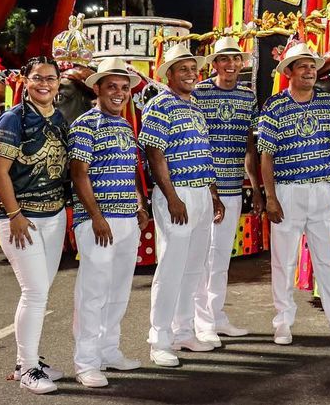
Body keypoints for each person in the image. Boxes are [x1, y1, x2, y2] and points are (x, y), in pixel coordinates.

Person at [258, 42, 330, 345]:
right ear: (289, 72)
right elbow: (266, 155)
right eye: (302, 66)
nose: (309, 71)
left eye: (312, 66)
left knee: (328, 260)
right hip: (287, 191)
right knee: (284, 261)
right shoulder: (275, 106)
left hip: (321, 189)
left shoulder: (327, 104)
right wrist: (270, 198)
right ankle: (282, 323)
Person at [139, 43, 225, 367]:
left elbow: (204, 153)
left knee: (193, 268)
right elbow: (154, 153)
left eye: (193, 69)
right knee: (171, 267)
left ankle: (184, 332)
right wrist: (172, 197)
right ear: (170, 75)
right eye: (183, 69)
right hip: (177, 195)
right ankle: (159, 340)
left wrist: (213, 194)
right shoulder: (159, 105)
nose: (190, 74)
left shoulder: (195, 108)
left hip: (201, 194)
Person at [0, 55, 69, 394]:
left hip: (53, 216)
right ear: (25, 80)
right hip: (20, 219)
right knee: (34, 292)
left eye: (50, 78)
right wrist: (14, 214)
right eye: (37, 77)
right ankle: (28, 368)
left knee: (40, 292)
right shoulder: (13, 119)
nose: (44, 84)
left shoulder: (58, 118)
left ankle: (28, 361)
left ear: (58, 83)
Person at [68, 57, 147, 388]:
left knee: (119, 289)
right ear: (97, 89)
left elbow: (128, 171)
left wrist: (139, 206)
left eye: (124, 88)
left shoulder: (125, 126)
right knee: (93, 292)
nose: (119, 93)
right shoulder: (85, 124)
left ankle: (109, 350)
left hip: (127, 219)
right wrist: (97, 216)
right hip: (98, 222)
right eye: (112, 86)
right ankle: (86, 362)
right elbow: (79, 173)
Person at [191, 36, 263, 346]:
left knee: (221, 257)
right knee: (202, 256)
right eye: (224, 59)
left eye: (236, 59)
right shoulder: (199, 93)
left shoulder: (248, 97)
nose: (231, 64)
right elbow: (196, 143)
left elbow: (249, 146)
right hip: (204, 189)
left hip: (234, 188)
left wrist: (255, 188)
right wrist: (211, 190)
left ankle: (216, 315)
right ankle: (202, 322)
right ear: (215, 64)